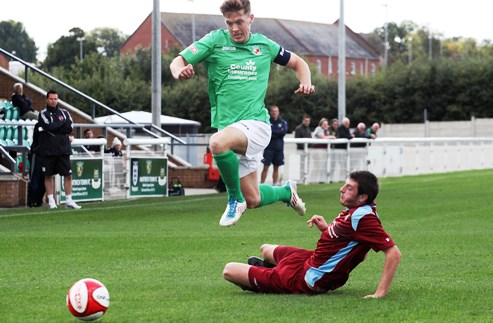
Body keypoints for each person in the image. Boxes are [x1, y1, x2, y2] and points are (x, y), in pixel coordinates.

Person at [170, 0, 315, 227]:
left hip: (256, 125)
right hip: (230, 129)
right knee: (254, 199)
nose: (235, 28)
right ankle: (286, 192)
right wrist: (180, 71)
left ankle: (234, 199)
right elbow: (177, 61)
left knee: (217, 143)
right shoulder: (215, 41)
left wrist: (306, 82)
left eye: (239, 22)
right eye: (230, 24)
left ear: (251, 18)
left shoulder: (264, 45)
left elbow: (298, 63)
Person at [223, 170, 401, 297]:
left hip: (311, 277)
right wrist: (326, 228)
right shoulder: (357, 210)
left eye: (349, 188)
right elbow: (352, 244)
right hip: (310, 259)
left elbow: (393, 253)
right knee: (266, 249)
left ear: (362, 197)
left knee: (229, 270)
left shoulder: (363, 218)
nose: (341, 189)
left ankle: (268, 281)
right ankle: (271, 272)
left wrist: (380, 293)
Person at [38, 90, 81, 209]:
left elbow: (69, 127)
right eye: (51, 99)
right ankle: (51, 201)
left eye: (55, 99)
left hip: (63, 149)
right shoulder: (43, 114)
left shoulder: (65, 112)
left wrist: (57, 126)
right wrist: (60, 124)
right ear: (47, 100)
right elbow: (48, 127)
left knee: (68, 174)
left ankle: (69, 200)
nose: (53, 101)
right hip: (49, 149)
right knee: (48, 175)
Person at [260, 105, 287, 186]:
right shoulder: (267, 122)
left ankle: (274, 185)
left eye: (276, 111)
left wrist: (273, 132)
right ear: (270, 112)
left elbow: (283, 132)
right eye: (273, 111)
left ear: (278, 112)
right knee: (265, 167)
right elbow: (267, 132)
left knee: (276, 167)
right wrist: (277, 132)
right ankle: (262, 185)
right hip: (268, 148)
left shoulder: (283, 122)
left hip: (279, 149)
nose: (274, 113)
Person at [27, 122, 45, 207]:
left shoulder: (54, 124)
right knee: (35, 178)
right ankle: (32, 201)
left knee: (44, 179)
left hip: (47, 155)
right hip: (37, 154)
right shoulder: (39, 125)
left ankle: (39, 200)